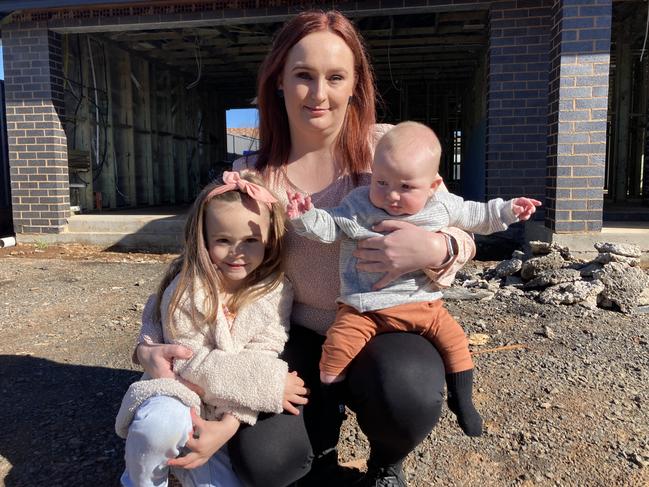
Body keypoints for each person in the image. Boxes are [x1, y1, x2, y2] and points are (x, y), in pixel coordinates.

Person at [135, 10, 479, 487]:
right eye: (303, 76)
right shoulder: (254, 177)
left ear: (355, 84)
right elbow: (194, 267)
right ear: (278, 80)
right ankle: (320, 445)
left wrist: (436, 248)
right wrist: (148, 347)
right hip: (288, 335)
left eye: (335, 77)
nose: (319, 94)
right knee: (268, 463)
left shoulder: (388, 151)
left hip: (379, 325)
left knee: (410, 391)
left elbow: (460, 230)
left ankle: (385, 461)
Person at [286, 121, 541, 437]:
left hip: (423, 304)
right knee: (336, 350)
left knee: (457, 344)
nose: (391, 195)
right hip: (363, 307)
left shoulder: (441, 204)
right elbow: (328, 227)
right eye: (381, 182)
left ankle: (462, 400)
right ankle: (332, 401)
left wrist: (509, 210)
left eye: (405, 187)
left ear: (432, 186)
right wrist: (304, 217)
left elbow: (478, 216)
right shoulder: (359, 204)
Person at [116, 171, 303, 487]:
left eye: (250, 240)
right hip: (177, 393)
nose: (236, 252)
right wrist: (269, 384)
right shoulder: (187, 287)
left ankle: (184, 468)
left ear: (270, 239)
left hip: (227, 412)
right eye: (223, 240)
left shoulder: (277, 292)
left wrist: (229, 426)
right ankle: (142, 479)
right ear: (203, 238)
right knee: (157, 428)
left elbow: (265, 352)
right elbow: (186, 363)